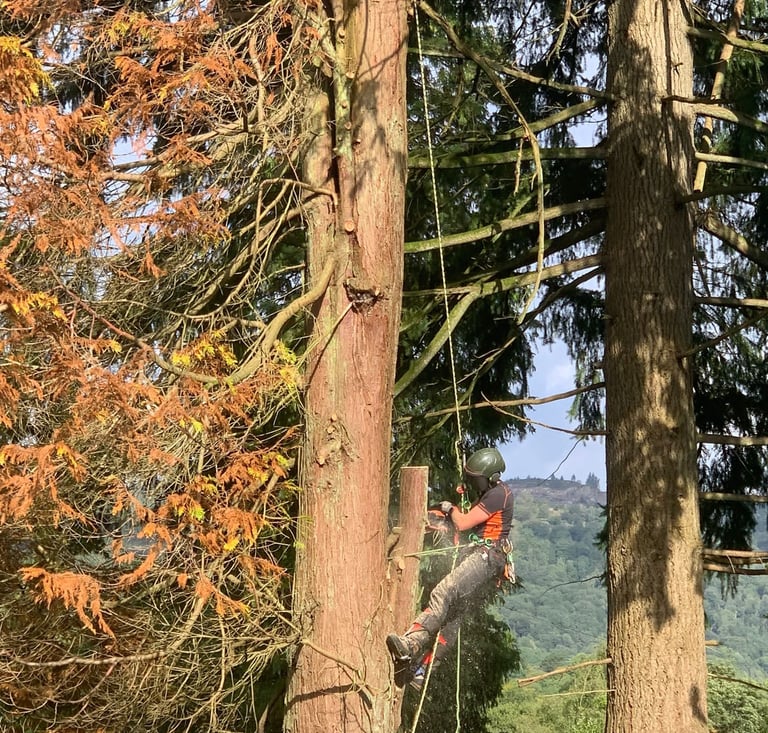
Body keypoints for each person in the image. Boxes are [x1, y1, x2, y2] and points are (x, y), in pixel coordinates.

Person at [386, 447, 514, 690]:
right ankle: (419, 671)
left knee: (444, 591)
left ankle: (412, 643)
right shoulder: (492, 493)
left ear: (491, 477)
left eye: (477, 479)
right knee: (452, 618)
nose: (475, 484)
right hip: (489, 563)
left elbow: (464, 522)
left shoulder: (499, 494)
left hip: (486, 558)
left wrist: (449, 508)